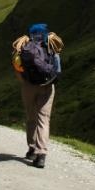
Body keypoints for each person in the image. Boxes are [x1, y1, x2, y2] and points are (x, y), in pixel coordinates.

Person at [13, 24, 63, 169]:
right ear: (45, 33)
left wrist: (24, 82)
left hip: (28, 86)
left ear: (30, 33)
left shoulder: (23, 47)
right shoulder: (51, 46)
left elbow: (17, 68)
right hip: (47, 86)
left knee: (31, 117)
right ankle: (41, 154)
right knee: (44, 120)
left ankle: (32, 148)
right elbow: (58, 69)